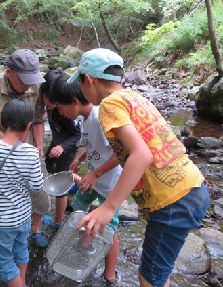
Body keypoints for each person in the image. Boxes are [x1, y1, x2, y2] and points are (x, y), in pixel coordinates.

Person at [68, 48, 210, 287]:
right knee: (156, 274)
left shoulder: (109, 105)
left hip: (172, 202)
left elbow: (141, 154)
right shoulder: (133, 97)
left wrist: (109, 207)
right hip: (190, 189)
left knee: (148, 279)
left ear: (89, 79)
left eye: (80, 83)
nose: (81, 91)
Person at [49, 76, 122, 284]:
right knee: (79, 205)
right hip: (93, 179)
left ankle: (109, 274)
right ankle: (84, 241)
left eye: (61, 108)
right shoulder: (85, 118)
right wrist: (80, 158)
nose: (60, 113)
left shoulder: (101, 118)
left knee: (109, 228)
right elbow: (92, 145)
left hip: (110, 186)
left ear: (74, 101)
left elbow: (122, 153)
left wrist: (96, 173)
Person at [0, 49, 50, 248]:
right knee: (4, 196)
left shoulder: (37, 85)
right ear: (9, 72)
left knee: (41, 194)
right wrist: (10, 148)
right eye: (24, 79)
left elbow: (37, 120)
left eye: (31, 79)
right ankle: (0, 230)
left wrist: (39, 148)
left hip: (30, 150)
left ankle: (35, 228)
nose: (28, 84)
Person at [0, 98, 44, 287]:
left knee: (4, 261)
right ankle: (21, 282)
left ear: (3, 122)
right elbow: (37, 186)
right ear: (28, 126)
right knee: (21, 250)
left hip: (0, 220)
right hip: (23, 217)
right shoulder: (30, 152)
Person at [39, 69, 81, 229]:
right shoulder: (49, 104)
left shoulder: (64, 110)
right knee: (49, 166)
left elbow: (77, 135)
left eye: (53, 100)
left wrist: (63, 147)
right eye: (46, 98)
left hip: (67, 146)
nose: (49, 104)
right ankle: (74, 180)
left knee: (60, 184)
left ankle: (58, 222)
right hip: (57, 141)